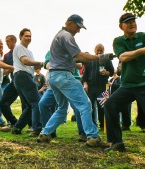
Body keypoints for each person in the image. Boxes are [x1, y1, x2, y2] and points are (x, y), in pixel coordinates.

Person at [103, 12, 145, 163]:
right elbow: (123, 57)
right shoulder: (119, 41)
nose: (132, 23)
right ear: (121, 26)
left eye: (133, 21)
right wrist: (142, 51)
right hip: (127, 86)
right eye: (128, 22)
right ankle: (117, 143)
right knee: (110, 105)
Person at [37, 14, 108, 147]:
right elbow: (79, 55)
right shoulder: (66, 36)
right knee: (85, 104)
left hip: (53, 76)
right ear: (69, 23)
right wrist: (100, 58)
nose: (78, 30)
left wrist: (92, 57)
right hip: (63, 76)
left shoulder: (59, 36)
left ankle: (45, 133)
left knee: (62, 109)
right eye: (78, 26)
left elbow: (77, 60)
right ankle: (93, 137)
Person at [11, 28, 43, 135]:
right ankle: (37, 128)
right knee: (36, 102)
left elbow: (31, 67)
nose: (28, 38)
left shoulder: (29, 52)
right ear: (20, 37)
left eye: (30, 36)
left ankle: (17, 128)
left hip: (22, 77)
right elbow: (25, 61)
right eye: (26, 36)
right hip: (22, 76)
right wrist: (40, 63)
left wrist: (38, 65)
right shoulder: (19, 47)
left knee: (29, 106)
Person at [82, 44, 114, 130]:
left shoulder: (107, 60)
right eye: (97, 50)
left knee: (103, 107)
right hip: (91, 87)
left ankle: (103, 126)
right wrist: (85, 84)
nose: (99, 52)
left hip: (103, 87)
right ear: (94, 50)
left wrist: (106, 72)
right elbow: (85, 75)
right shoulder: (90, 61)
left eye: (101, 50)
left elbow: (111, 72)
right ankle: (92, 125)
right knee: (90, 107)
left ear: (103, 51)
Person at [0, 35, 19, 132]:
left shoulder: (21, 50)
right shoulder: (6, 56)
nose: (6, 43)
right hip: (14, 82)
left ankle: (33, 126)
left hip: (25, 81)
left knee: (27, 104)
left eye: (8, 41)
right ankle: (14, 122)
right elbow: (5, 70)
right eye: (5, 41)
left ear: (14, 41)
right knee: (3, 103)